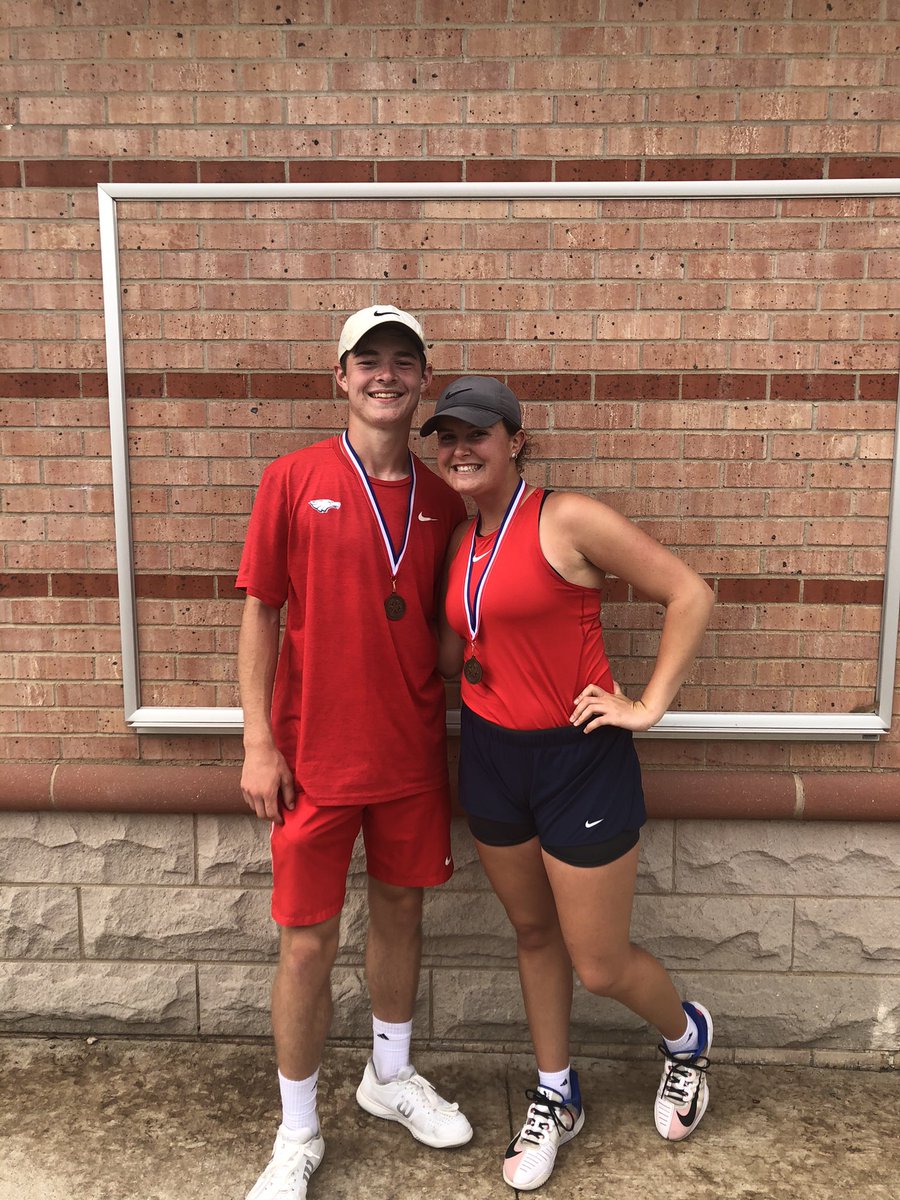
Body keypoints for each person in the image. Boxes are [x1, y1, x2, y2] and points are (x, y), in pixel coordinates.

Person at [421, 375, 716, 1192]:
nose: (459, 449)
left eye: (477, 434)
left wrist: (647, 705)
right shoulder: (461, 539)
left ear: (515, 440)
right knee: (533, 936)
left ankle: (687, 1036)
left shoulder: (568, 517)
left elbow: (689, 593)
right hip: (489, 754)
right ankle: (557, 1092)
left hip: (576, 758)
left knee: (599, 963)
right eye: (445, 437)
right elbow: (459, 647)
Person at [237, 306, 472, 1200]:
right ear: (340, 377)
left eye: (402, 363)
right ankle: (297, 1133)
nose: (385, 375)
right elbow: (260, 610)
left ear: (421, 382)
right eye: (367, 361)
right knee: (307, 945)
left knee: (403, 918)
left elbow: (454, 627)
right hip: (314, 757)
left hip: (411, 753)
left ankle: (389, 1077)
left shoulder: (445, 498)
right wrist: (259, 742)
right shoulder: (291, 479)